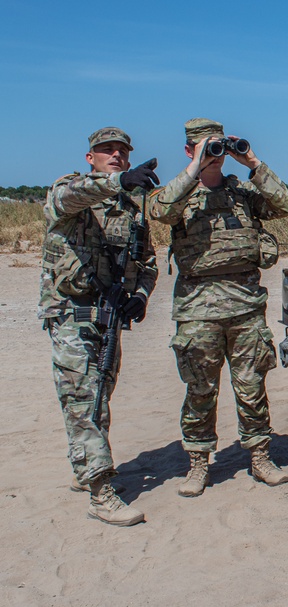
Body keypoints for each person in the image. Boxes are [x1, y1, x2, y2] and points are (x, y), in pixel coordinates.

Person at [150, 118, 288, 497]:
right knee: (200, 389)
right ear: (189, 149)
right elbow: (160, 211)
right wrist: (195, 167)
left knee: (251, 387)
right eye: (206, 147)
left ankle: (260, 456)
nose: (216, 155)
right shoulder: (180, 195)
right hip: (198, 309)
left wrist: (252, 162)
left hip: (245, 305)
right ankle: (198, 462)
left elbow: (285, 204)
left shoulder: (242, 193)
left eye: (219, 147)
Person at [40, 126, 159, 526]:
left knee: (99, 398)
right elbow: (71, 196)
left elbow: (148, 262)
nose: (116, 156)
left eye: (122, 152)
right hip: (71, 316)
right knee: (82, 402)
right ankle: (99, 491)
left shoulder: (129, 209)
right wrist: (118, 182)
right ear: (90, 158)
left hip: (108, 319)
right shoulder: (70, 191)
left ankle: (87, 468)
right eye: (106, 151)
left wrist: (140, 296)